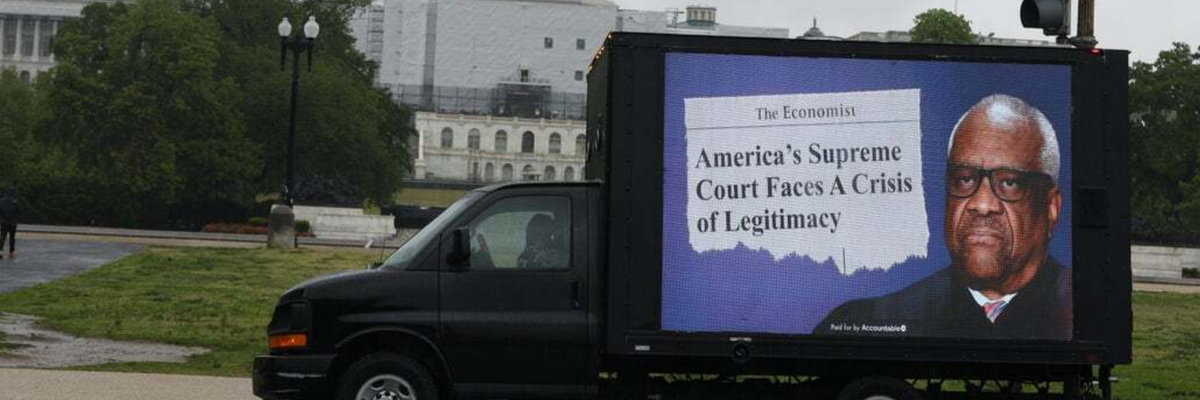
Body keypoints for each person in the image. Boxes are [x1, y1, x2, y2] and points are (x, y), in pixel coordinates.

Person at [815, 94, 1071, 340]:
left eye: (1010, 183)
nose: (982, 204)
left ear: (1051, 208)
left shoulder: (1078, 312)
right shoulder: (874, 322)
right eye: (965, 179)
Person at [0, 183, 20, 260]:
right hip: (13, 221)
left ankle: (0, 250)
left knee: (2, 236)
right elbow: (19, 211)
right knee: (12, 237)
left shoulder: (1, 201)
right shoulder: (15, 201)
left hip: (4, 221)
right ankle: (11, 251)